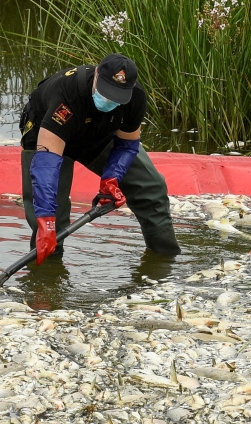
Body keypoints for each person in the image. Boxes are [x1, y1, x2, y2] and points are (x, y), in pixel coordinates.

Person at [19, 53, 181, 265]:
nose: (109, 99)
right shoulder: (67, 93)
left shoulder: (136, 98)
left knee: (151, 187)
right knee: (52, 218)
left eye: (116, 96)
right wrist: (47, 221)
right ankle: (46, 279)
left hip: (99, 133)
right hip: (47, 134)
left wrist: (111, 179)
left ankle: (165, 262)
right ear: (96, 75)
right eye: (106, 92)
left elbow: (127, 145)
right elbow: (46, 167)